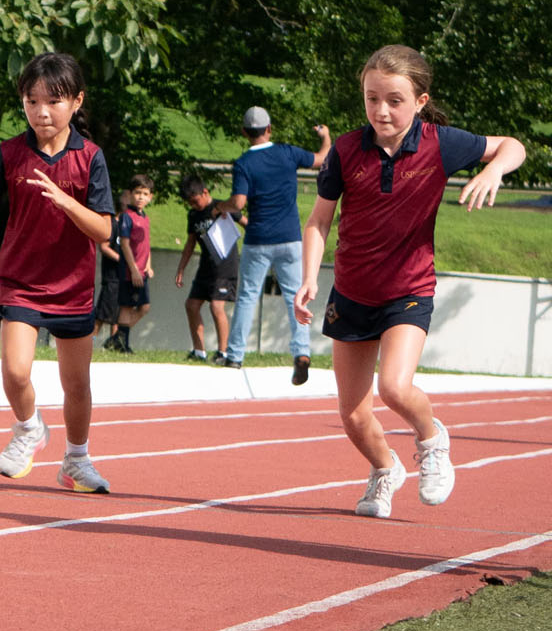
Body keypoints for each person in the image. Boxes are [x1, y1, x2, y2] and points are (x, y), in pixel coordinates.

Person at [294, 45, 524, 518]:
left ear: (420, 101)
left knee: (394, 389)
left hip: (409, 290)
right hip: (352, 292)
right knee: (353, 416)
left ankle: (433, 439)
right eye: (372, 97)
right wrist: (308, 278)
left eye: (394, 100)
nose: (381, 110)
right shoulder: (344, 150)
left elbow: (512, 145)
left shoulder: (442, 142)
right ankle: (384, 469)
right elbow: (319, 221)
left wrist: (494, 170)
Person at [0, 52, 115, 493]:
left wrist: (66, 202)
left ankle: (76, 460)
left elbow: (104, 228)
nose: (42, 112)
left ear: (77, 102)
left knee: (76, 384)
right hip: (20, 280)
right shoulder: (9, 153)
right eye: (31, 102)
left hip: (73, 286)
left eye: (54, 102)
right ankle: (29, 428)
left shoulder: (91, 159)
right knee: (15, 371)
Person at [213, 106, 331, 383]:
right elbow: (323, 159)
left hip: (258, 238)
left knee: (247, 297)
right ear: (269, 129)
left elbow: (239, 203)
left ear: (244, 133)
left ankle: (235, 354)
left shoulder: (244, 163)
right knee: (295, 296)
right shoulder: (288, 153)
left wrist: (221, 206)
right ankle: (301, 351)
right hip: (290, 237)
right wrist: (325, 136)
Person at [174, 174, 245, 362]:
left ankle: (223, 352)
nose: (194, 206)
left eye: (196, 201)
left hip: (225, 266)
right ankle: (199, 352)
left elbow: (246, 223)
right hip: (205, 266)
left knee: (216, 306)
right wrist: (181, 268)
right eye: (190, 203)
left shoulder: (223, 207)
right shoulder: (193, 215)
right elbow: (190, 243)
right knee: (191, 305)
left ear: (205, 192)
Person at [113, 174, 155, 353]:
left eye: (145, 194)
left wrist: (148, 265)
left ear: (150, 197)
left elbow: (146, 243)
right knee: (127, 306)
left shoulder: (144, 217)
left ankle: (116, 339)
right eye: (137, 193)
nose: (141, 197)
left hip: (141, 270)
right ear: (130, 194)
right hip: (130, 271)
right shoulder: (127, 217)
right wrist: (134, 270)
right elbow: (124, 244)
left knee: (144, 307)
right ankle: (122, 344)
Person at [95, 189, 127, 350]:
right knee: (102, 312)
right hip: (111, 277)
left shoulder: (126, 226)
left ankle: (115, 344)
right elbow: (104, 247)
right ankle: (89, 341)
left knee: (117, 314)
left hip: (123, 278)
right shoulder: (113, 224)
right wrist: (121, 259)